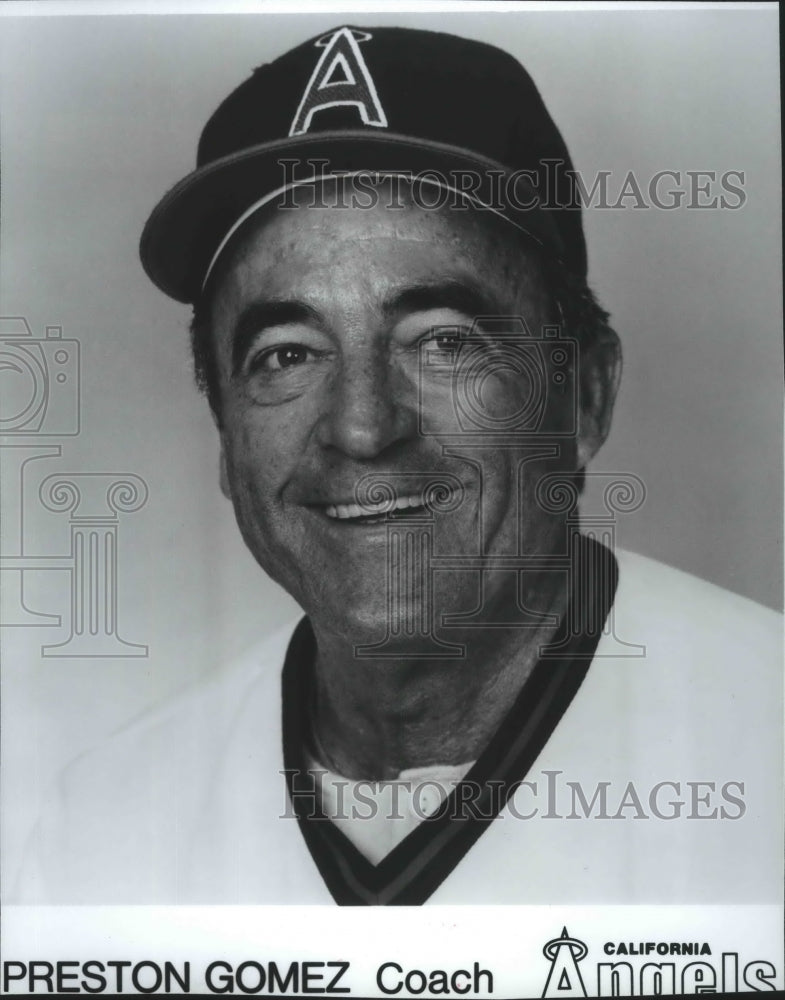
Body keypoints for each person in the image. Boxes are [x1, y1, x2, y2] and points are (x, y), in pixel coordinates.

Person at [16, 23, 781, 906]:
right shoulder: (103, 826)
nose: (363, 428)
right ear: (223, 431)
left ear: (583, 399)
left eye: (444, 341)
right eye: (288, 354)